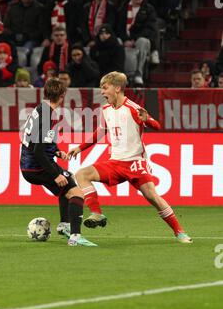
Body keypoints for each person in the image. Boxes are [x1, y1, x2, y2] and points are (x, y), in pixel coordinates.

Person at [68, 71, 192, 244]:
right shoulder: (105, 110)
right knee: (82, 174)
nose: (102, 92)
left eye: (105, 88)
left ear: (117, 88)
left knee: (153, 197)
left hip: (135, 163)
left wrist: (147, 119)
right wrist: (80, 148)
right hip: (115, 163)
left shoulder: (133, 108)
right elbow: (101, 131)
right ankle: (97, 213)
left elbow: (156, 126)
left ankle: (180, 232)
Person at [20, 77, 97, 246]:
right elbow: (37, 150)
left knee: (66, 187)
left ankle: (64, 225)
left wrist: (55, 150)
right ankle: (75, 237)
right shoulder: (48, 116)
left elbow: (35, 142)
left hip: (28, 165)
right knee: (77, 193)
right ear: (62, 95)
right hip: (36, 166)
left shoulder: (39, 109)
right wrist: (55, 174)